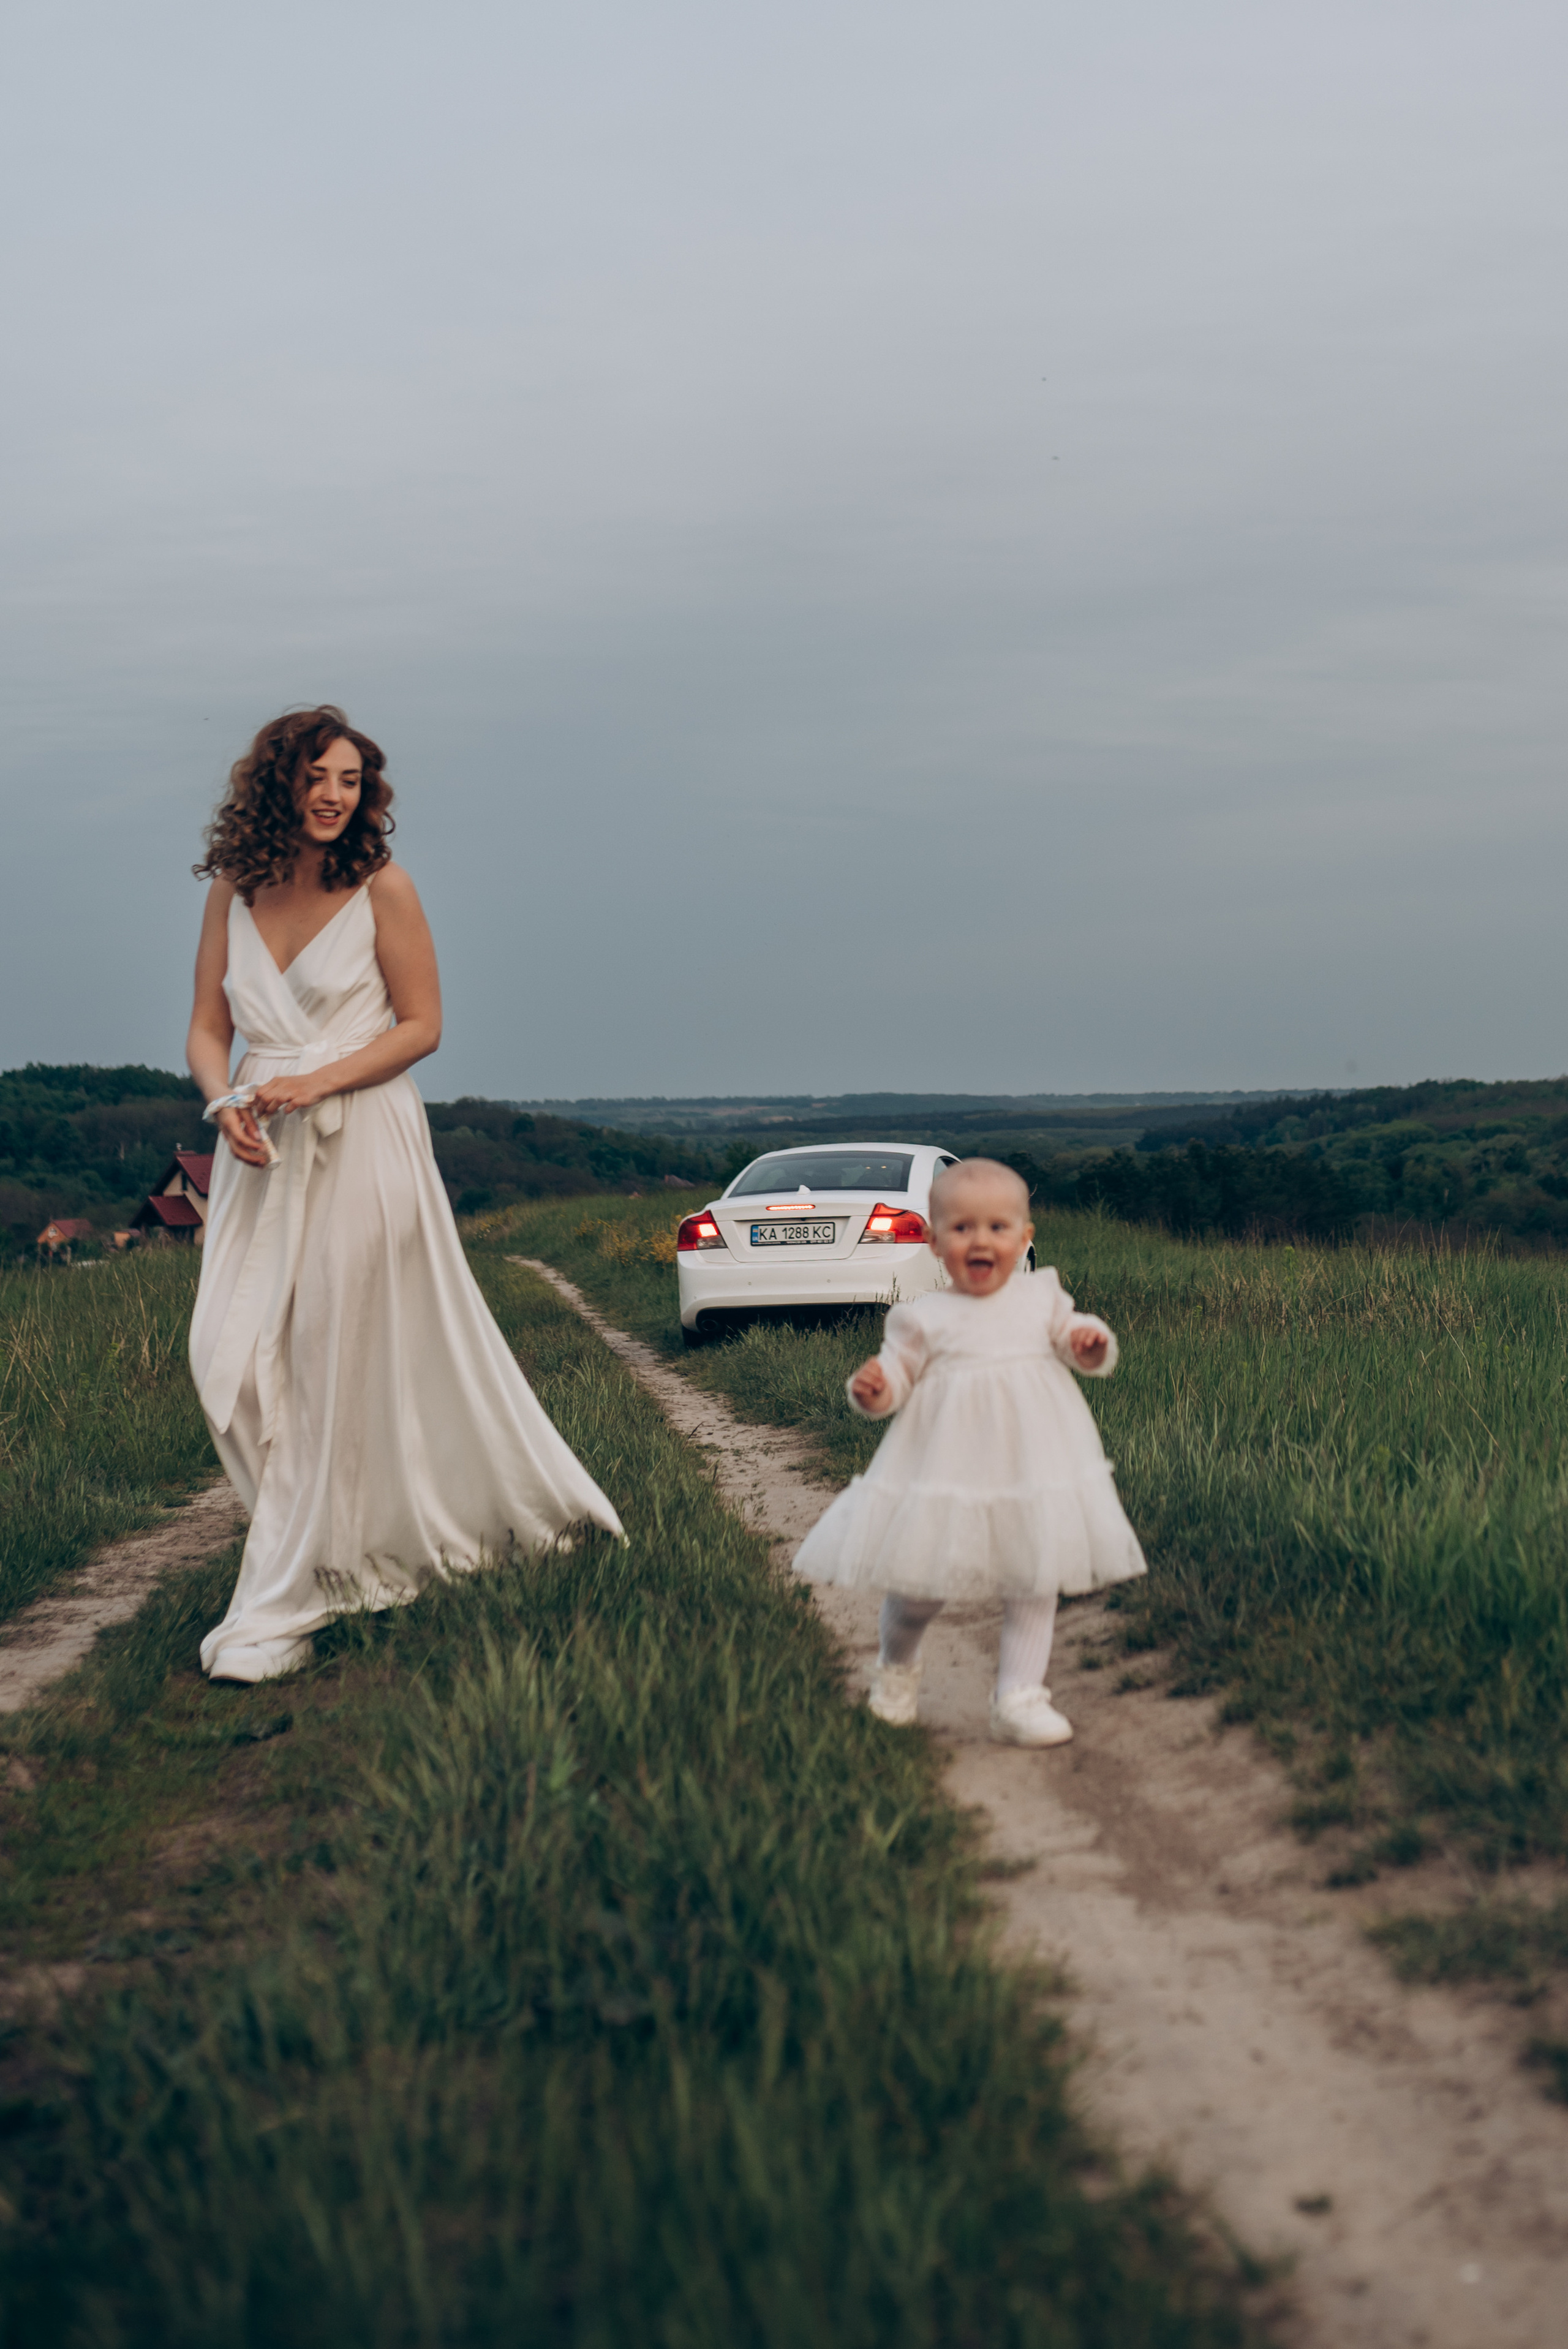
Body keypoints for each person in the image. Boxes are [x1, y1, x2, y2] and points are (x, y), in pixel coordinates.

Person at [185, 706, 623, 1684]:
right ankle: (323, 1536)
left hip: (364, 1137)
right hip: (261, 1152)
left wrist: (318, 1079)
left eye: (351, 778)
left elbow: (422, 1026)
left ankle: (292, 1590)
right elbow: (207, 1027)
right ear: (278, 786)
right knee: (225, 1354)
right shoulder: (234, 889)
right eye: (318, 777)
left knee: (326, 1353)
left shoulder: (386, 887)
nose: (336, 794)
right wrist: (225, 1101)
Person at [792, 1158, 1145, 1745]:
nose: (980, 1240)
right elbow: (899, 1374)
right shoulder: (924, 1316)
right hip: (946, 1468)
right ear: (934, 1243)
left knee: (1035, 1577)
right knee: (920, 1588)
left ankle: (1020, 1696)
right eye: (961, 1229)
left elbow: (1075, 1339)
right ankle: (896, 1671)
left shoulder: (1043, 1297)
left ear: (1024, 1238)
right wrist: (878, 1389)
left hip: (1031, 1466)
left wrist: (1090, 1343)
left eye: (997, 1228)